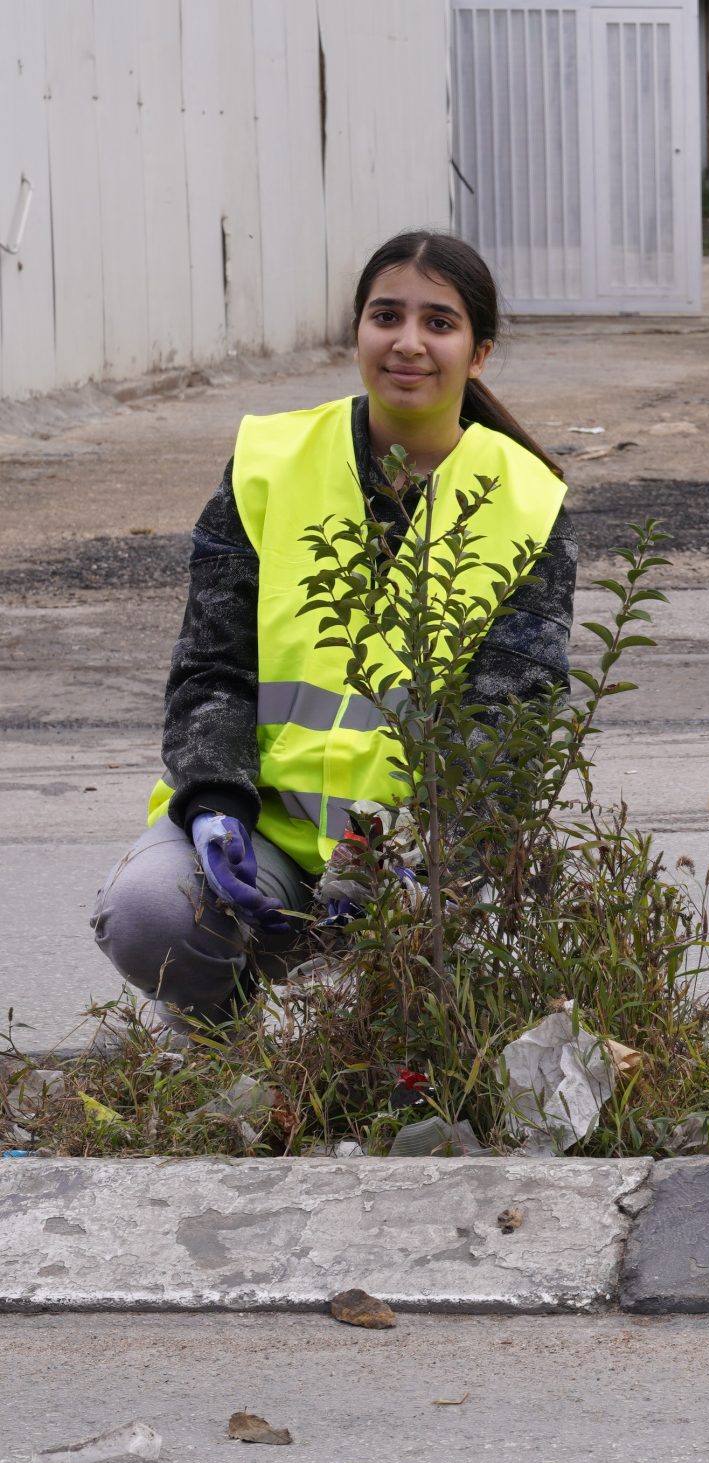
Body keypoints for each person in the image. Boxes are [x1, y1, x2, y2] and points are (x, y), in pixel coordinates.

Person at [91, 230, 575, 1031]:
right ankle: (224, 1031)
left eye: (440, 323)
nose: (408, 342)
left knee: (414, 1024)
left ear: (478, 353)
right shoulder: (270, 461)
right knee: (150, 917)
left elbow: (511, 726)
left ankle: (373, 1042)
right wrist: (214, 805)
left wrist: (420, 861)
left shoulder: (526, 501)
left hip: (418, 855)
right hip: (261, 835)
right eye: (386, 315)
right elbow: (211, 668)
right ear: (357, 332)